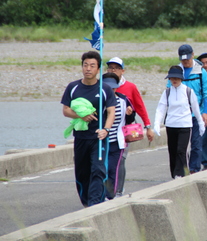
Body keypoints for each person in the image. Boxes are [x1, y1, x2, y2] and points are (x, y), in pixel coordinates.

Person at [61, 51, 117, 207]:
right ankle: (86, 203)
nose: (88, 69)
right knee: (82, 172)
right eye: (85, 65)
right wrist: (80, 116)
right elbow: (66, 110)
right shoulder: (73, 87)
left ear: (98, 69)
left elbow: (111, 111)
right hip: (80, 138)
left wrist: (106, 129)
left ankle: (94, 204)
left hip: (99, 138)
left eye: (92, 66)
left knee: (98, 170)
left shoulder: (105, 88)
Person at [105, 57, 154, 197]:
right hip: (106, 132)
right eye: (110, 67)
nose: (112, 70)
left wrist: (148, 126)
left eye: (116, 68)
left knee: (120, 161)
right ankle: (107, 190)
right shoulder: (104, 86)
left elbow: (140, 107)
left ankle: (118, 190)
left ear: (122, 70)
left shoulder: (130, 87)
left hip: (124, 131)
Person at [154, 66, 205, 178]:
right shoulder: (167, 92)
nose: (174, 80)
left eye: (176, 78)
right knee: (172, 151)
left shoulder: (188, 91)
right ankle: (175, 175)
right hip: (171, 125)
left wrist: (201, 123)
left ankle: (180, 174)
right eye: (172, 78)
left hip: (185, 125)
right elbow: (160, 109)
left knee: (181, 150)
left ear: (181, 78)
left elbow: (196, 109)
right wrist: (157, 124)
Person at [168, 44, 207, 173]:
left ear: (193, 55)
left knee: (196, 144)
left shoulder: (200, 71)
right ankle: (182, 170)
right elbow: (168, 91)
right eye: (182, 59)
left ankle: (194, 169)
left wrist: (205, 113)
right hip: (181, 116)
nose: (185, 61)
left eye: (187, 58)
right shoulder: (176, 71)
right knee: (181, 147)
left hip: (196, 114)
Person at [101, 73, 135, 200]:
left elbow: (130, 120)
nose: (111, 90)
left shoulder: (123, 100)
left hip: (117, 142)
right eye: (108, 87)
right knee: (101, 169)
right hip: (102, 142)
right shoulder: (99, 101)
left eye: (113, 88)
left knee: (112, 169)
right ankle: (100, 194)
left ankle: (110, 196)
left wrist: (129, 114)